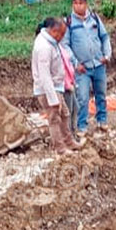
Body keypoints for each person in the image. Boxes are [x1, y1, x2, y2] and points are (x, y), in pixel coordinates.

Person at [60, 0, 113, 138]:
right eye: (75, 3)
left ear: (86, 4)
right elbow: (65, 46)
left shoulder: (94, 18)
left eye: (80, 3)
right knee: (82, 97)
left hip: (98, 64)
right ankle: (82, 126)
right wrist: (76, 64)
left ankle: (102, 121)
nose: (78, 6)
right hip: (82, 68)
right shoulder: (69, 22)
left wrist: (107, 55)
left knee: (101, 94)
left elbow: (104, 37)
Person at [31, 17, 81, 154]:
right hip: (48, 90)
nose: (62, 38)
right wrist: (53, 99)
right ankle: (60, 148)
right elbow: (44, 76)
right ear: (54, 31)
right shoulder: (44, 47)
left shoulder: (51, 43)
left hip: (56, 88)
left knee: (65, 114)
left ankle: (69, 142)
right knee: (55, 118)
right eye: (61, 35)